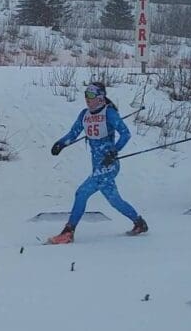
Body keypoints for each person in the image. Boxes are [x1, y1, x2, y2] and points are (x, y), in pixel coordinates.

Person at [47, 82, 148, 244]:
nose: (88, 99)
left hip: (108, 165)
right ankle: (139, 222)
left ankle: (68, 232)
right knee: (115, 200)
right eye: (86, 95)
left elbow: (125, 134)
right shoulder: (84, 115)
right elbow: (73, 134)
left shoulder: (109, 113)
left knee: (81, 193)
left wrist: (114, 151)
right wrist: (60, 144)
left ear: (100, 97)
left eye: (92, 95)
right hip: (97, 166)